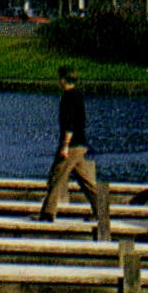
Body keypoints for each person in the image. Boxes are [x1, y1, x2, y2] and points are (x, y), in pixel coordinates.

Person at [37, 67, 111, 238]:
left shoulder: (67, 98)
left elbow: (68, 125)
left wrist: (64, 146)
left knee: (57, 176)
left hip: (71, 146)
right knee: (86, 182)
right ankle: (101, 212)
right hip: (81, 144)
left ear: (63, 79)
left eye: (59, 78)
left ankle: (47, 214)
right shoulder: (78, 95)